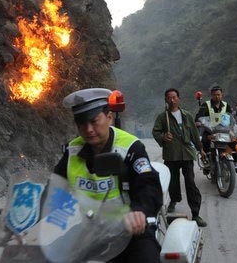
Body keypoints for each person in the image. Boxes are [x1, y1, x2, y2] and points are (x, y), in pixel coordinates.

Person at [54, 88, 162, 263]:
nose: (88, 130)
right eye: (82, 124)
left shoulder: (131, 147)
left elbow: (148, 185)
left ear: (109, 117)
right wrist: (26, 215)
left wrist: (139, 212)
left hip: (130, 232)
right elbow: (55, 189)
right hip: (92, 231)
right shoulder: (72, 151)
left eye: (94, 121)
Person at [152, 88, 207, 227]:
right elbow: (156, 132)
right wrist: (163, 137)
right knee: (173, 181)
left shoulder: (187, 115)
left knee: (190, 182)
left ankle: (196, 214)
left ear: (179, 98)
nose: (172, 100)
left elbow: (194, 134)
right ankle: (174, 201)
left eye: (174, 97)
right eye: (169, 98)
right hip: (171, 154)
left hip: (187, 153)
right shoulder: (162, 117)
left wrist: (201, 149)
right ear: (166, 100)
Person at [195, 86, 237, 175]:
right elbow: (199, 116)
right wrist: (198, 121)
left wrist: (235, 125)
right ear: (211, 95)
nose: (217, 97)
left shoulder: (226, 105)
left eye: (218, 95)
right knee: (205, 141)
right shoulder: (206, 105)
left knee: (234, 142)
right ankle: (206, 163)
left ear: (222, 95)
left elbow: (231, 117)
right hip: (210, 131)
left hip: (224, 130)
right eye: (214, 95)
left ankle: (235, 163)